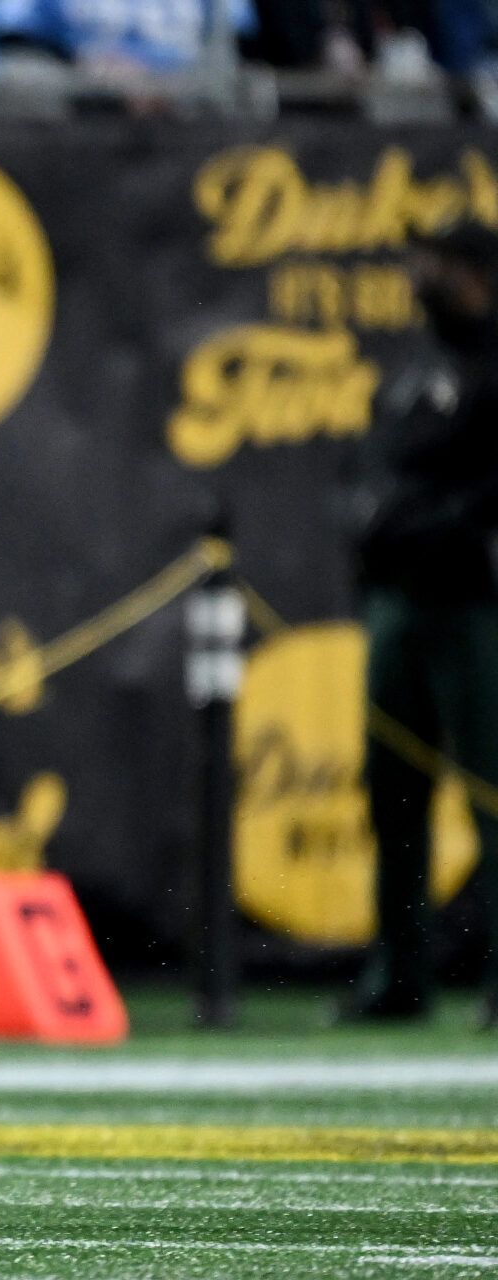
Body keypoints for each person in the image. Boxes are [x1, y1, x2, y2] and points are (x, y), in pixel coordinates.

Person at [341, 221, 498, 1029]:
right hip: (396, 601)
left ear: (477, 275)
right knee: (392, 793)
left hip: (472, 603)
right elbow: (377, 472)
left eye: (434, 261)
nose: (417, 273)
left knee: (490, 790)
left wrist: (438, 527)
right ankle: (397, 975)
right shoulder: (413, 370)